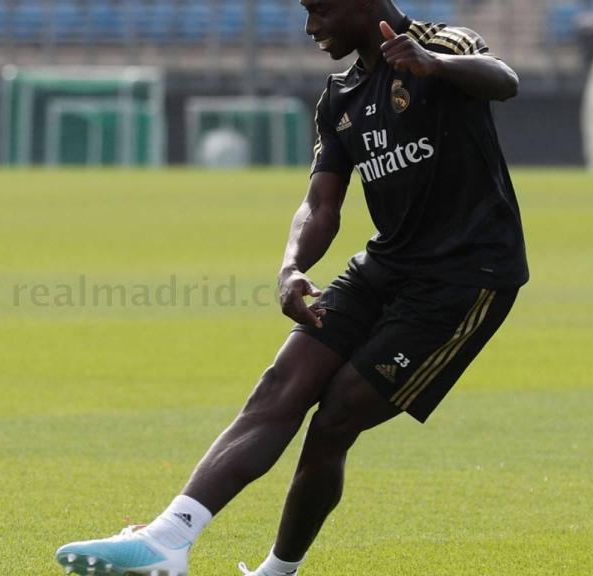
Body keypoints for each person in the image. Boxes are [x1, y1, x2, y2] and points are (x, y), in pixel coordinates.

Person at [55, 0, 528, 574]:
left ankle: (278, 572)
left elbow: (504, 80)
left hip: (466, 278)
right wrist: (291, 267)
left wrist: (435, 65)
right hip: (386, 266)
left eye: (320, 10)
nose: (310, 27)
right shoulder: (340, 97)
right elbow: (320, 205)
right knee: (281, 384)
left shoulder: (443, 42)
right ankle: (166, 540)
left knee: (336, 417)